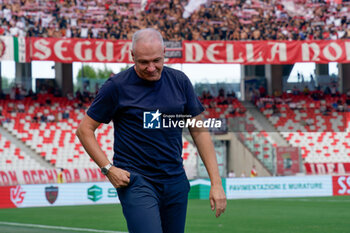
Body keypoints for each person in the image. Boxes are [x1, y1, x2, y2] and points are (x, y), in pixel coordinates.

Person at [76, 28, 226, 233]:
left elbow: (199, 131)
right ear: (132, 56)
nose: (151, 67)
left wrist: (216, 183)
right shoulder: (116, 86)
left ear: (165, 52)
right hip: (137, 181)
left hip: (175, 181)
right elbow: (84, 130)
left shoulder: (180, 82)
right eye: (144, 62)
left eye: (157, 60)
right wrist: (108, 168)